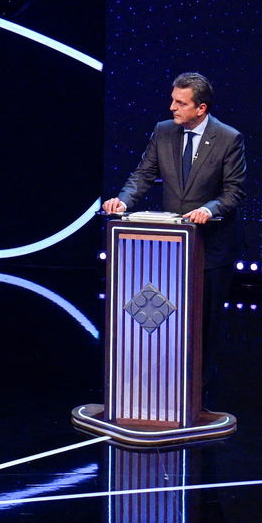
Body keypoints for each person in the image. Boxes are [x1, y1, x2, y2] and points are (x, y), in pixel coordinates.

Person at [104, 72, 244, 394]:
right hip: (172, 248)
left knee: (205, 324)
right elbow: (142, 175)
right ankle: (164, 381)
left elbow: (234, 193)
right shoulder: (163, 132)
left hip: (211, 249)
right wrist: (123, 201)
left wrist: (209, 210)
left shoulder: (228, 138)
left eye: (180, 103)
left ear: (201, 108)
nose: (172, 108)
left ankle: (198, 391)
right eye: (172, 100)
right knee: (169, 315)